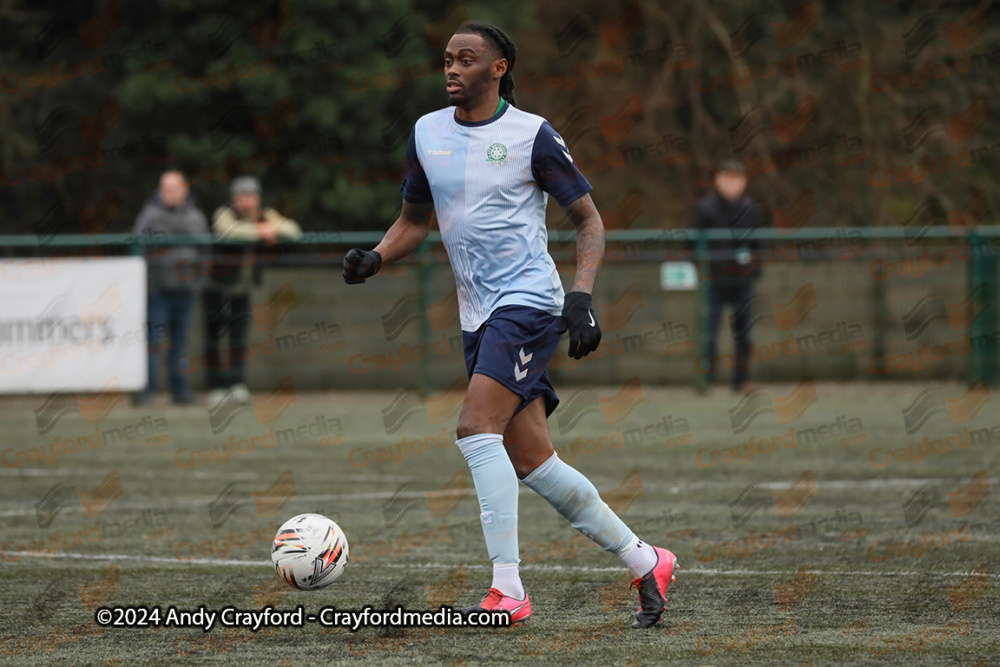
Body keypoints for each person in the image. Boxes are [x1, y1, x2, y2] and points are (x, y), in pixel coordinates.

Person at [343, 21, 677, 628]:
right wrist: (376, 256)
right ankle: (645, 558)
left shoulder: (533, 136)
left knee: (476, 430)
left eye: (466, 59)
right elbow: (413, 220)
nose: (452, 68)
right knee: (533, 462)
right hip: (478, 315)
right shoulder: (426, 133)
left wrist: (580, 299)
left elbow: (590, 222)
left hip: (526, 303)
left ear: (498, 69)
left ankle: (508, 590)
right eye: (447, 58)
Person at [205, 176, 302, 405]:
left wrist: (269, 226)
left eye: (251, 196)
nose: (247, 201)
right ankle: (216, 387)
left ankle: (236, 385)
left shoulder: (265, 214)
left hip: (243, 288)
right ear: (234, 198)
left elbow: (294, 230)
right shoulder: (223, 213)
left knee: (238, 338)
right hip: (216, 287)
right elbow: (229, 231)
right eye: (242, 196)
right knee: (214, 337)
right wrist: (263, 231)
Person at [133, 170, 208, 405]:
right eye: (164, 188)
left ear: (184, 190)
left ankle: (181, 393)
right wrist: (149, 284)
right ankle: (147, 393)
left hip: (186, 291)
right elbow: (138, 248)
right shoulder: (149, 216)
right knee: (152, 345)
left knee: (181, 345)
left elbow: (205, 253)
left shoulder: (196, 217)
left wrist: (197, 283)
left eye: (172, 188)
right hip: (157, 292)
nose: (168, 193)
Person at [690, 161, 762, 391]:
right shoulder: (705, 209)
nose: (732, 184)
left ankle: (742, 380)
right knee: (708, 333)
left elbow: (760, 245)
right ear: (718, 180)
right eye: (727, 178)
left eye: (736, 179)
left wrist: (753, 270)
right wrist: (702, 270)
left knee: (744, 334)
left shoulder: (751, 209)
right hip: (713, 282)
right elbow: (691, 244)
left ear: (744, 182)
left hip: (742, 282)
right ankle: (706, 381)